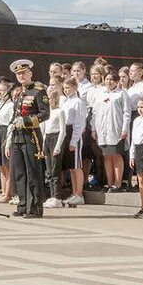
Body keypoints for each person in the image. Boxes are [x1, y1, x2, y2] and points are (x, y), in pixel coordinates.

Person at [6, 59, 49, 218]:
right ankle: (23, 205)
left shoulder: (38, 91)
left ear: (30, 73)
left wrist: (25, 121)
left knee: (33, 172)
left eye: (23, 73)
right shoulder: (18, 92)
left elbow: (45, 114)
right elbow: (15, 113)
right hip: (17, 137)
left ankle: (35, 208)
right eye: (18, 74)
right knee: (19, 172)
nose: (21, 76)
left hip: (31, 137)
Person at [91, 70, 129, 193]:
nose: (109, 81)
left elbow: (126, 113)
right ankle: (109, 183)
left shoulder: (121, 94)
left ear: (117, 81)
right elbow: (94, 113)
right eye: (107, 79)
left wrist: (124, 129)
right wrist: (93, 128)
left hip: (116, 129)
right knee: (106, 157)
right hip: (103, 130)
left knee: (116, 156)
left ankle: (117, 183)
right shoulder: (100, 94)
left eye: (112, 79)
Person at [59, 78, 87, 206]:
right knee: (71, 167)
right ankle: (74, 192)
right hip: (66, 131)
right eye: (64, 88)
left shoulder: (78, 102)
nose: (66, 90)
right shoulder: (65, 102)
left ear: (75, 88)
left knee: (76, 166)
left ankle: (79, 194)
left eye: (68, 88)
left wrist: (73, 141)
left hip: (74, 133)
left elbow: (80, 123)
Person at [43, 87, 66, 208]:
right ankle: (52, 196)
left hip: (56, 138)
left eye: (50, 98)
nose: (48, 100)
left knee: (55, 169)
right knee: (48, 171)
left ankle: (57, 197)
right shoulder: (47, 112)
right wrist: (43, 145)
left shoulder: (59, 111)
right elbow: (44, 129)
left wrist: (58, 146)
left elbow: (63, 131)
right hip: (47, 138)